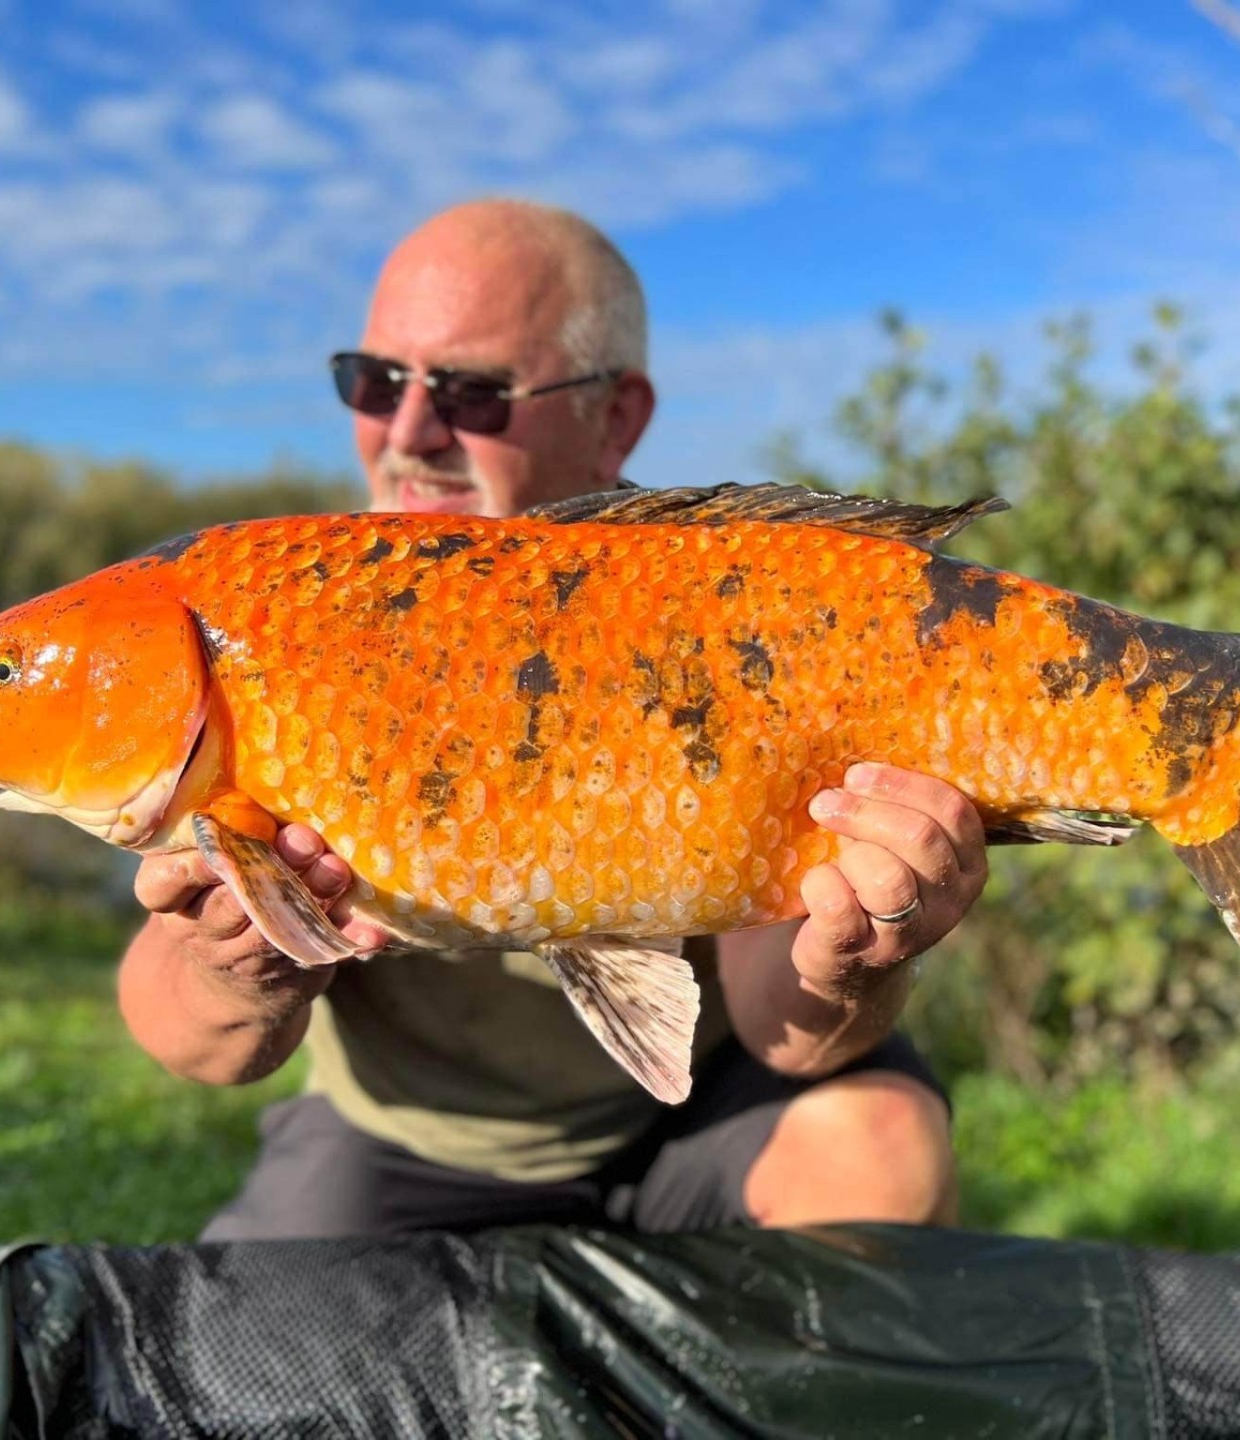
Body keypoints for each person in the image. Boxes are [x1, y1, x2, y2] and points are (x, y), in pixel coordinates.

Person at [117, 199, 987, 1238]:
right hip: (411, 1136)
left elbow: (794, 1036)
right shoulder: (297, 606)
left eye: (473, 393)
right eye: (375, 381)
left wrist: (861, 945)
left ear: (616, 419)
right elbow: (189, 1040)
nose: (408, 432)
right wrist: (234, 958)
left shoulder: (730, 603)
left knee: (876, 1149)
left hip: (705, 1109)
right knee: (255, 1364)